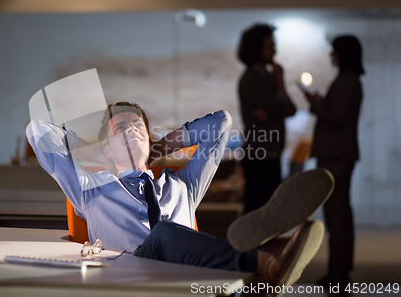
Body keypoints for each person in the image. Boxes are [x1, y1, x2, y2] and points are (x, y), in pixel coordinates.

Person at [27, 101, 333, 293]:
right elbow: (38, 131)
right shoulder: (91, 189)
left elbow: (221, 124)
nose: (132, 129)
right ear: (105, 149)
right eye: (121, 128)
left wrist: (157, 150)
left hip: (190, 282)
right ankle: (261, 261)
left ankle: (261, 260)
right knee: (162, 235)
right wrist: (98, 155)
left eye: (138, 127)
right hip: (129, 282)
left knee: (169, 236)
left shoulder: (182, 186)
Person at [305, 35, 364, 288]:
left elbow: (336, 118)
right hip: (341, 154)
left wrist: (316, 105)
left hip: (336, 155)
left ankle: (338, 272)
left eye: (334, 52)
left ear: (343, 54)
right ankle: (340, 270)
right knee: (340, 212)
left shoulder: (346, 81)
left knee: (336, 214)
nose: (331, 56)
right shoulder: (351, 81)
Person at [237, 24, 297, 214]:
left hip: (272, 151)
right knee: (257, 211)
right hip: (259, 153)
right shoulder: (251, 79)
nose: (274, 51)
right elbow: (276, 108)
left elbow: (290, 109)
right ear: (257, 49)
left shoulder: (269, 78)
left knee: (271, 211)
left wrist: (279, 89)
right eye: (269, 46)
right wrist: (280, 84)